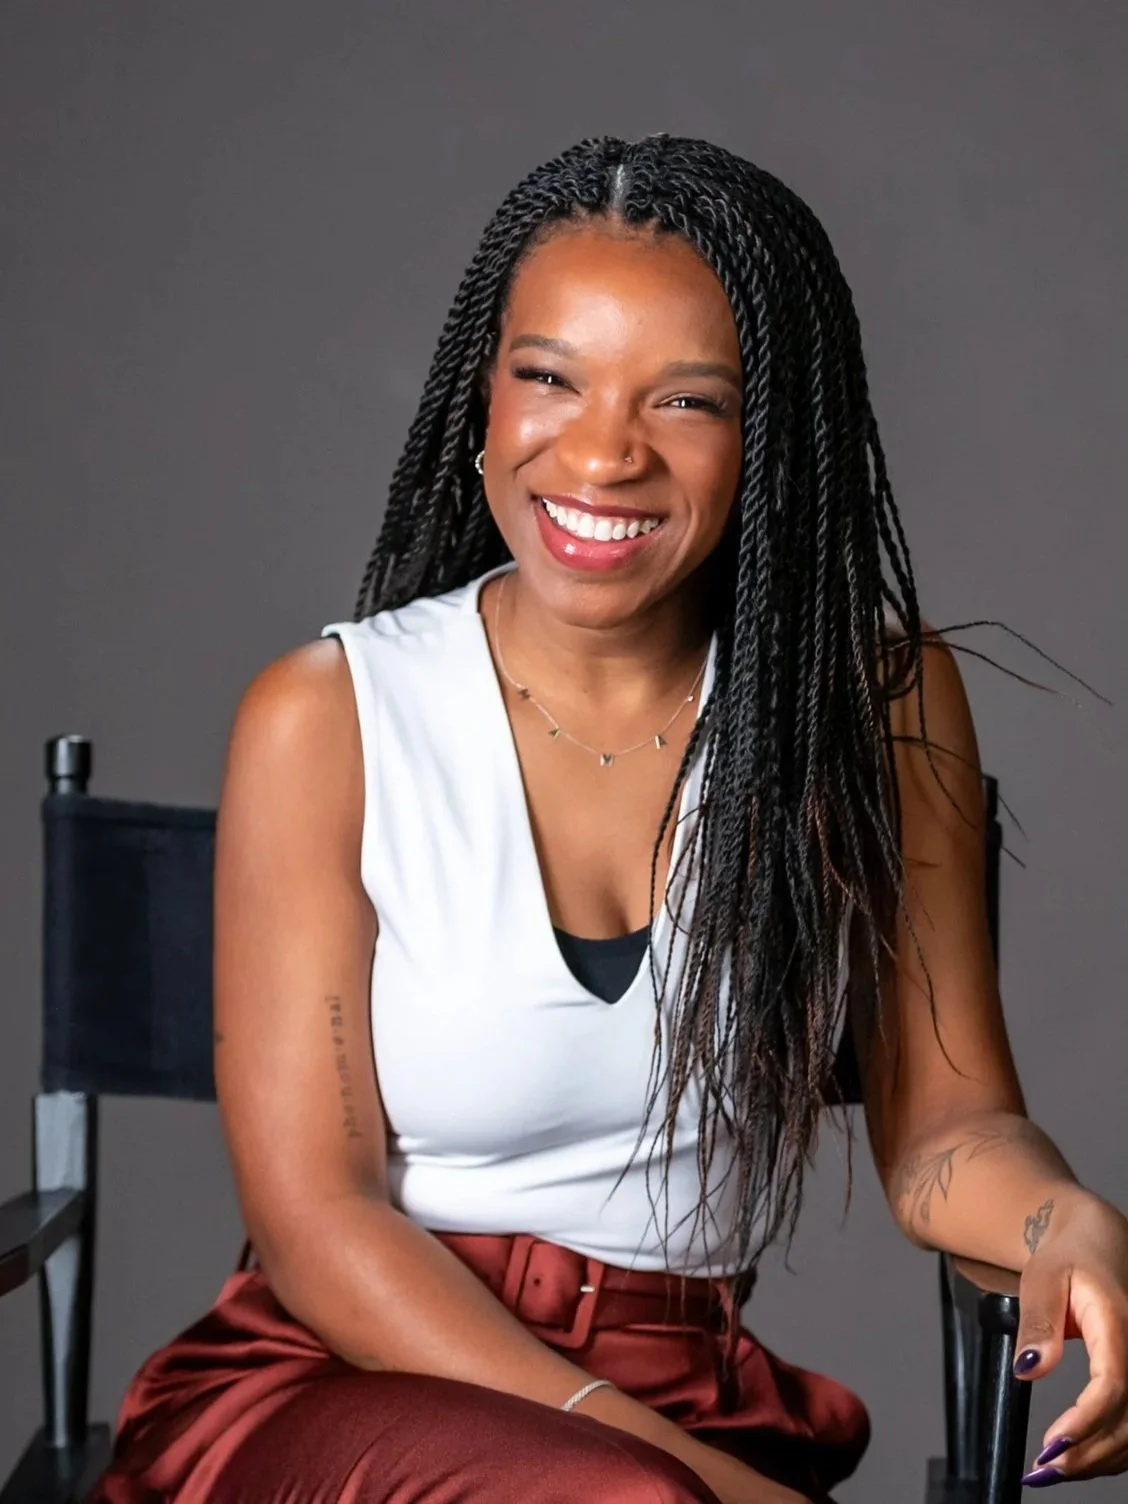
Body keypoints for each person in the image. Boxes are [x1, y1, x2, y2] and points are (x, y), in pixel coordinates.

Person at [89, 134, 1128, 1503]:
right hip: (351, 1379)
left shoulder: (875, 709)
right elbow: (319, 1224)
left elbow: (946, 1134)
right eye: (549, 377)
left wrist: (1074, 1223)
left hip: (690, 1403)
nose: (600, 452)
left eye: (686, 401)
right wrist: (658, 1471)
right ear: (483, 396)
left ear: (773, 444)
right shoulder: (330, 717)